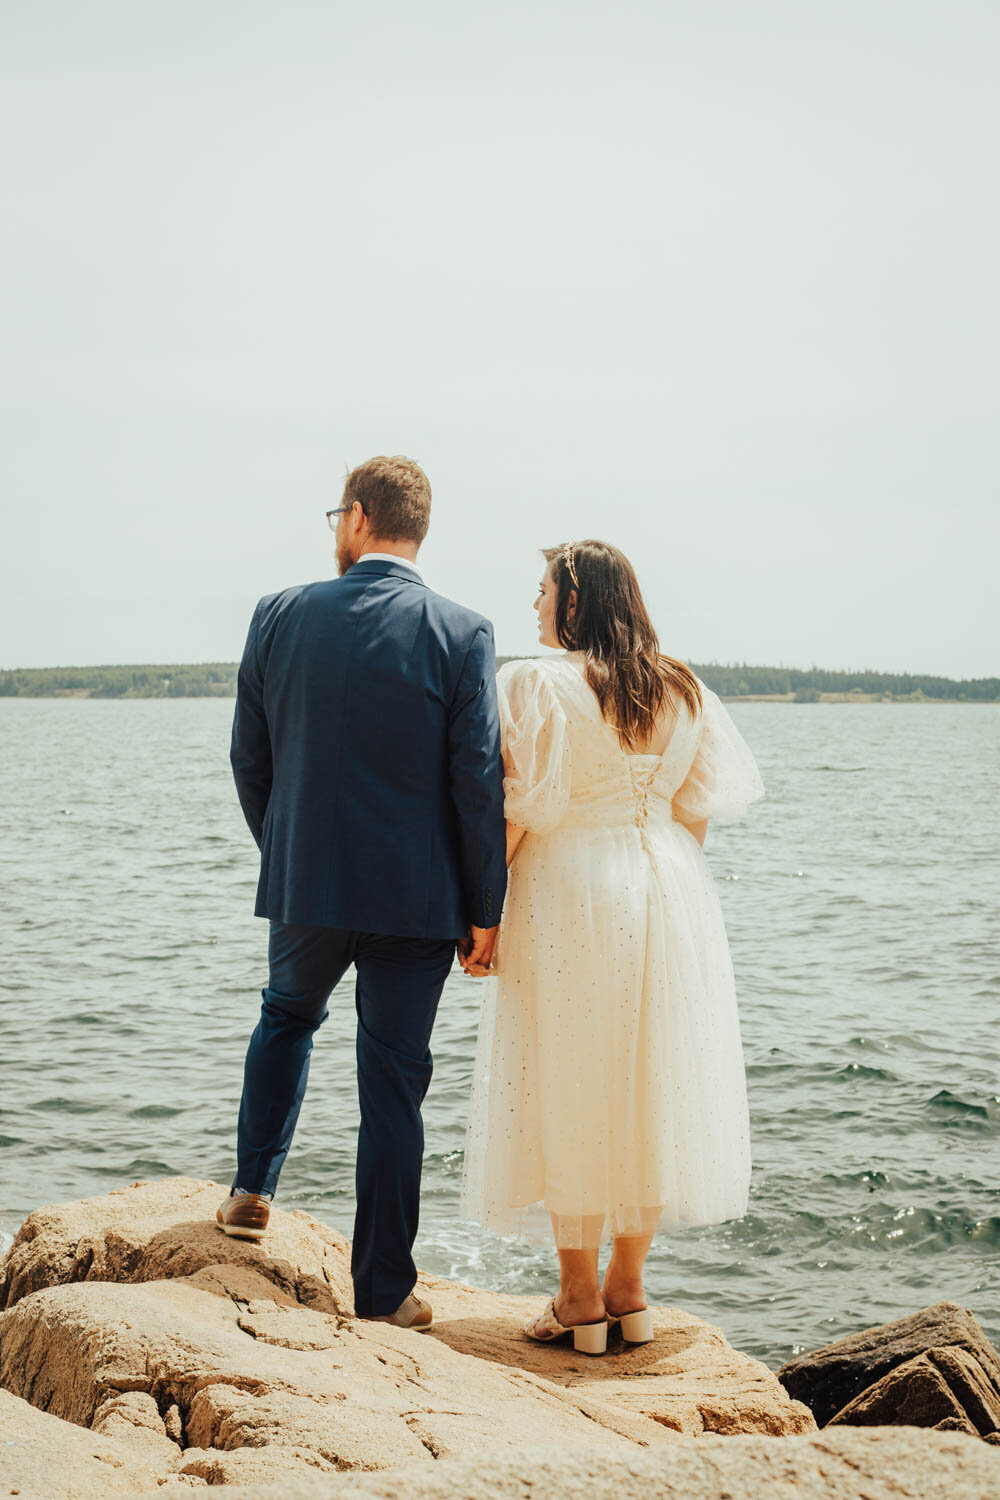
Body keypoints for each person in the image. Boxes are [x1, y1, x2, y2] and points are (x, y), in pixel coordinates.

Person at [222, 455, 507, 1331]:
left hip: (307, 882)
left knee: (285, 1017)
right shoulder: (463, 631)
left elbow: (249, 756)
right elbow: (478, 780)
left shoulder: (280, 614)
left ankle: (249, 1195)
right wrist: (484, 908)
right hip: (419, 899)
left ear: (355, 517)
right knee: (393, 1081)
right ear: (415, 528)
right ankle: (383, 1291)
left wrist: (288, 847)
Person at [460, 540, 764, 1355]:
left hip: (573, 891)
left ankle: (577, 1298)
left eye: (542, 590)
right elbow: (694, 812)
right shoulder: (681, 685)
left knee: (572, 1079)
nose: (532, 606)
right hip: (671, 889)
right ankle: (630, 1289)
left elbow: (519, 810)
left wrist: (481, 916)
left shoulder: (539, 680)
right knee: (649, 1083)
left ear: (573, 601)